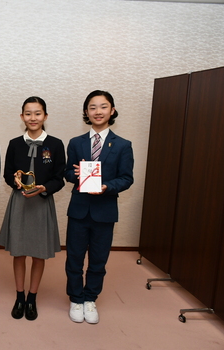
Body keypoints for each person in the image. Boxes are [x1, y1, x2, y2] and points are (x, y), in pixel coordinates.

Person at [65, 90, 134, 324]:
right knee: (74, 257)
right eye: (92, 107)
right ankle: (75, 298)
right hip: (79, 210)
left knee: (98, 259)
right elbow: (67, 172)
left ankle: (89, 298)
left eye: (103, 107)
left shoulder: (123, 145)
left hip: (105, 211)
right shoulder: (75, 143)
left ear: (112, 111)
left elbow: (126, 178)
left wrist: (106, 186)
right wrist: (76, 175)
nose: (98, 111)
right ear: (86, 112)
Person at [0, 96, 65, 321]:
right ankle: (19, 297)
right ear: (21, 117)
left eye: (37, 113)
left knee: (38, 254)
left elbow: (60, 178)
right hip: (20, 203)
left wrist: (45, 187)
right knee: (18, 252)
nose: (33, 118)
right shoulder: (15, 143)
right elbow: (7, 173)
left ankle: (32, 298)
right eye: (28, 113)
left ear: (45, 116)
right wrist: (14, 182)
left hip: (42, 203)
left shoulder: (55, 144)